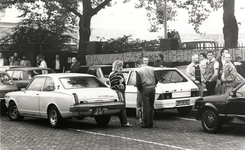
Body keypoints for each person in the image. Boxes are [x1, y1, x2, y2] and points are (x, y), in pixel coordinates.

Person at [108, 60, 132, 127]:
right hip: (120, 91)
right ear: (120, 66)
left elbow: (109, 83)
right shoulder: (120, 74)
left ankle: (123, 121)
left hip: (113, 91)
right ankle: (124, 122)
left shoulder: (111, 74)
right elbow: (123, 84)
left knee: (119, 106)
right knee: (123, 107)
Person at [136, 59, 158, 128]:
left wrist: (140, 89)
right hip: (152, 88)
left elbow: (138, 82)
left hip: (144, 89)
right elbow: (156, 79)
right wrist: (154, 85)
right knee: (151, 106)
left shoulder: (139, 71)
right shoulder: (152, 69)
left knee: (146, 106)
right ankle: (151, 122)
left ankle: (146, 123)